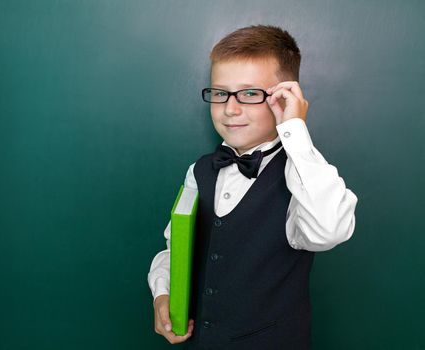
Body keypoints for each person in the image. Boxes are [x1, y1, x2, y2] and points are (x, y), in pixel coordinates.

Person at [147, 24, 358, 349]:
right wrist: (162, 293)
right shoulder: (199, 170)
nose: (230, 109)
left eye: (249, 94)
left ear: (284, 97)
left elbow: (328, 230)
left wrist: (295, 129)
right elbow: (177, 247)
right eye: (220, 93)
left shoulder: (303, 175)